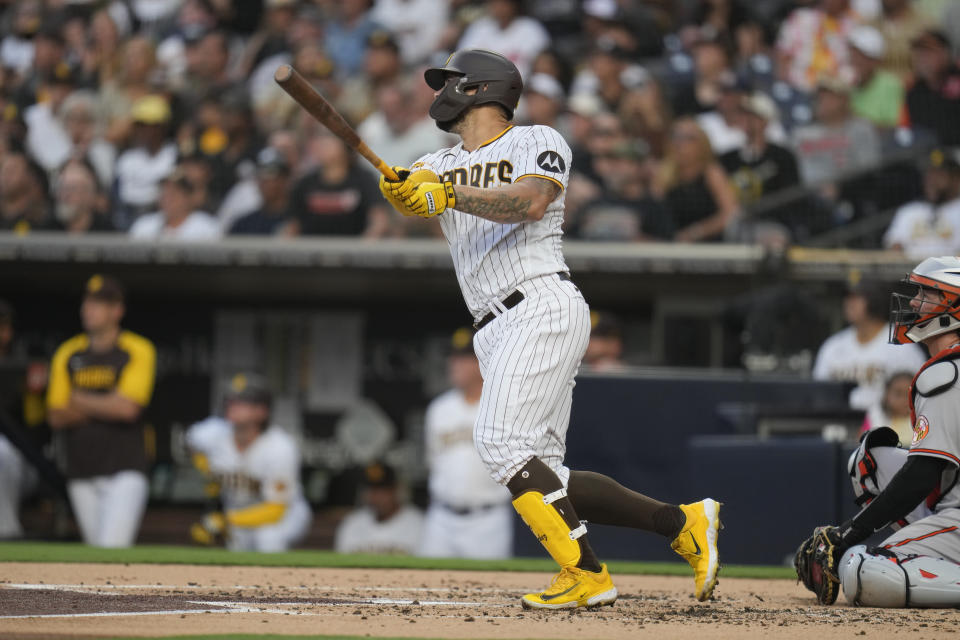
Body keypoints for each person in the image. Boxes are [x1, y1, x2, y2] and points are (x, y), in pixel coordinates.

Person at [378, 49, 721, 610]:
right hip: (492, 323)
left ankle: (585, 573)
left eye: (449, 83)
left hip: (538, 300)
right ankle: (681, 523)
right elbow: (413, 193)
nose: (439, 93)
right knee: (546, 471)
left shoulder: (536, 139)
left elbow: (532, 202)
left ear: (478, 90)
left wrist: (449, 194)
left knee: (497, 441)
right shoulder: (436, 161)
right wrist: (400, 191)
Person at [796, 256, 960, 608]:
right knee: (868, 460)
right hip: (951, 500)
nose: (914, 302)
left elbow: (921, 474)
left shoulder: (947, 373)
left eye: (927, 294)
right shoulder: (947, 365)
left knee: (864, 569)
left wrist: (849, 533)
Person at [46, 275, 156, 547]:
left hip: (125, 469)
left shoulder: (136, 349)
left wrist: (78, 399)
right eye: (87, 302)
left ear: (117, 310)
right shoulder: (68, 352)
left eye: (98, 303)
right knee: (96, 552)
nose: (88, 309)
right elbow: (56, 415)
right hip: (81, 469)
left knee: (112, 548)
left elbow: (128, 409)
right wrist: (107, 403)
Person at [186, 373, 312, 552]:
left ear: (262, 411)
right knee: (236, 550)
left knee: (268, 537)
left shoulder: (280, 447)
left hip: (285, 514)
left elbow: (275, 510)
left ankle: (276, 581)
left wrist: (226, 520)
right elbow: (190, 440)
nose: (233, 406)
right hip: (237, 510)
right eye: (231, 400)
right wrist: (204, 466)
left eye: (242, 402)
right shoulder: (213, 432)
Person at [418, 328, 513, 559]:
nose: (454, 364)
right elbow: (433, 461)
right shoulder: (440, 409)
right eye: (454, 357)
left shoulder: (503, 408)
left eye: (463, 358)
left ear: (483, 363)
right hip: (441, 517)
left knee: (489, 591)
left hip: (488, 519)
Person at [812, 278, 926, 410]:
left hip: (886, 426)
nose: (849, 303)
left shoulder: (902, 345)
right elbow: (818, 394)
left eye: (857, 298)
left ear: (875, 300)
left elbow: (919, 400)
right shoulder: (832, 346)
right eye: (848, 298)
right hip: (837, 425)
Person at [654, 117, 740, 243]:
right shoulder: (664, 173)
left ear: (702, 143)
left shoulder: (711, 173)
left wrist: (696, 233)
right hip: (670, 243)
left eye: (688, 138)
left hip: (709, 244)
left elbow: (731, 213)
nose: (679, 143)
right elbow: (654, 210)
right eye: (675, 136)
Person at [334, 461, 424, 555]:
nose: (376, 497)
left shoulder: (418, 524)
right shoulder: (352, 523)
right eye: (372, 490)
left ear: (396, 490)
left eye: (382, 491)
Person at [884, 148, 960, 259]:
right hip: (910, 273)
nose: (932, 180)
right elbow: (893, 250)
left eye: (939, 174)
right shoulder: (909, 211)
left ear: (956, 178)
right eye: (929, 173)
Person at [128, 168, 221, 241]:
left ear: (188, 197)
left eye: (174, 194)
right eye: (164, 193)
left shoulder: (206, 227)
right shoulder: (144, 225)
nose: (167, 199)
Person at [861, 371, 914, 446]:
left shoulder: (923, 421)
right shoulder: (874, 418)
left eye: (908, 394)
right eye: (898, 394)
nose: (904, 400)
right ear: (887, 395)